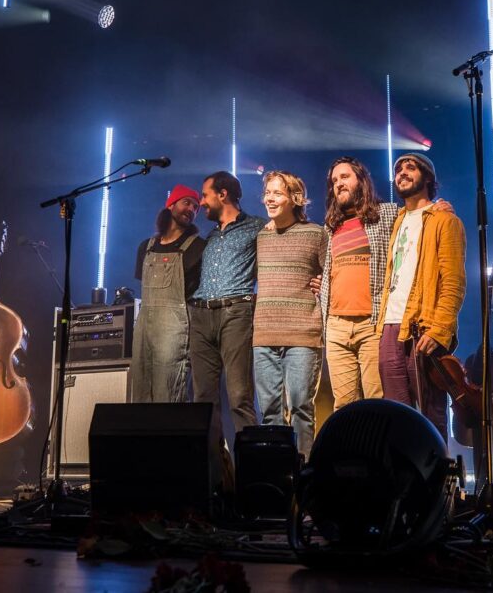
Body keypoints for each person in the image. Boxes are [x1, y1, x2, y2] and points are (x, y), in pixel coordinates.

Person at [318, 156, 453, 411]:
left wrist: (439, 209)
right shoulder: (330, 227)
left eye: (345, 177)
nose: (339, 184)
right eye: (334, 180)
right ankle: (350, 452)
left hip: (372, 323)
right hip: (335, 326)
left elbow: (419, 214)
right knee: (343, 406)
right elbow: (327, 269)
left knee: (377, 401)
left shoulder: (388, 213)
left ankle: (377, 451)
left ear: (361, 180)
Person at [375, 153, 466, 440]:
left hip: (423, 328)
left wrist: (439, 330)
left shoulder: (445, 221)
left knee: (430, 417)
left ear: (427, 177)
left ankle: (437, 481)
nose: (401, 172)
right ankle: (406, 482)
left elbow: (453, 281)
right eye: (398, 169)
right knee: (396, 416)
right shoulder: (398, 220)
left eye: (410, 167)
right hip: (390, 327)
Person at [253, 171, 326, 457]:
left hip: (303, 335)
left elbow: (330, 275)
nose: (270, 198)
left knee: (300, 408)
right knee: (269, 412)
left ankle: (304, 473)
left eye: (277, 193)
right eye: (267, 193)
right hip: (264, 336)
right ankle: (275, 475)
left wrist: (322, 283)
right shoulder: (260, 236)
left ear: (294, 199)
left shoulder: (315, 233)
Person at [188, 171, 266, 439]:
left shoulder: (258, 226)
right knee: (203, 401)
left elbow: (283, 251)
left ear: (223, 195)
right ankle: (215, 476)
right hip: (199, 316)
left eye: (205, 195)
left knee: (239, 397)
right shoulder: (206, 238)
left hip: (236, 312)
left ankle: (250, 476)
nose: (201, 202)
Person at [129, 184, 206, 403]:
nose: (191, 209)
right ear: (171, 204)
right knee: (141, 390)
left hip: (175, 330)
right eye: (186, 203)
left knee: (168, 394)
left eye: (196, 206)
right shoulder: (147, 246)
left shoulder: (198, 247)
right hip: (144, 328)